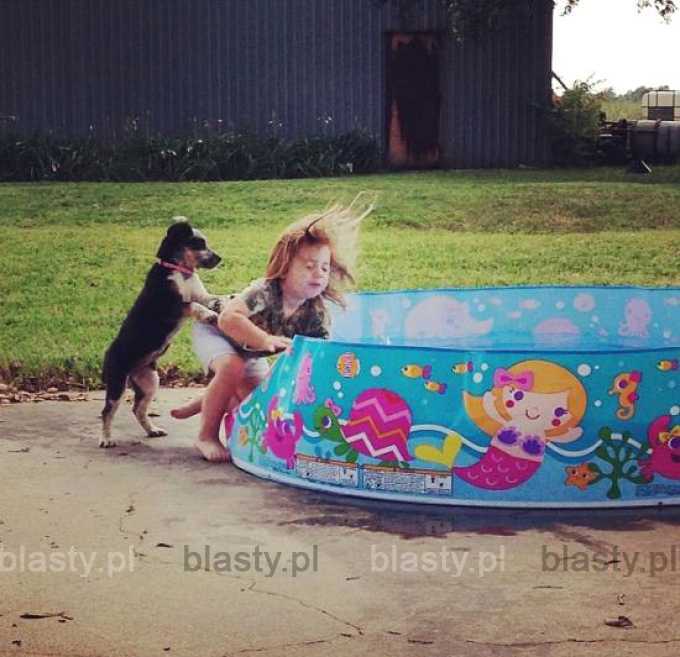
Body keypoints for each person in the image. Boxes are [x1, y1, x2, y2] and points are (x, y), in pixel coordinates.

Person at [171, 195, 374, 462]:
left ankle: (206, 400)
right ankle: (206, 435)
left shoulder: (315, 313)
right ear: (285, 267)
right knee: (231, 367)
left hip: (251, 351)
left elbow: (319, 355)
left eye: (324, 267)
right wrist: (265, 338)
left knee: (258, 398)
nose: (319, 274)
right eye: (309, 266)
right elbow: (228, 320)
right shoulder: (266, 291)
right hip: (217, 330)